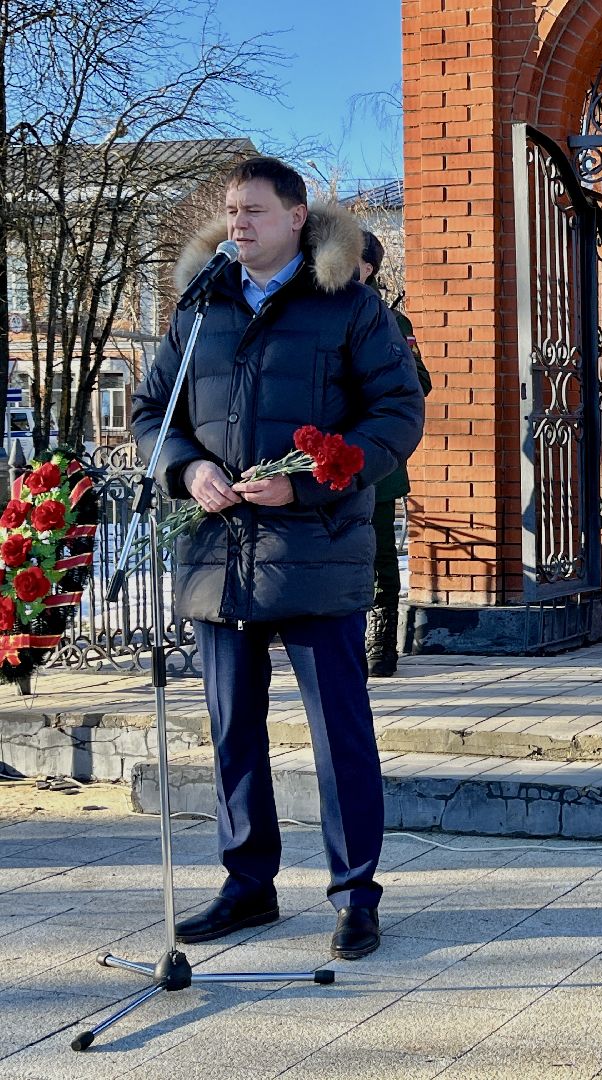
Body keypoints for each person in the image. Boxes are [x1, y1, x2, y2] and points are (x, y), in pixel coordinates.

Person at [132, 156, 425, 960]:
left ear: (297, 217)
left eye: (253, 210)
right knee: (232, 731)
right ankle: (247, 885)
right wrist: (187, 467)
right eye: (231, 211)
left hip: (315, 550)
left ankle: (355, 894)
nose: (237, 224)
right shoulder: (199, 307)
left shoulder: (349, 307)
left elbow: (398, 412)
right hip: (216, 554)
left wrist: (315, 485)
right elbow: (153, 411)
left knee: (339, 733)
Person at [357, 230, 431, 677]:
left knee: (380, 552)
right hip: (316, 461)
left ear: (367, 268)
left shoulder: (391, 322)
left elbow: (418, 383)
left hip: (374, 460)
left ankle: (380, 641)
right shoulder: (313, 314)